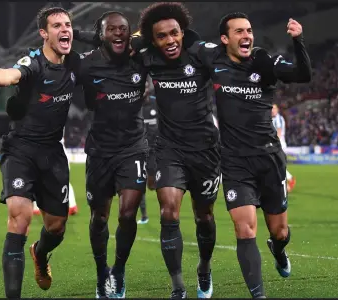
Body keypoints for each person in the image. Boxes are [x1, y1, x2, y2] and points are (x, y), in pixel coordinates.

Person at [0, 7, 81, 298]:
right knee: (19, 215)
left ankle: (40, 254)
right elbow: (10, 74)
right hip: (21, 149)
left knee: (56, 227)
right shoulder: (34, 62)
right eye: (56, 25)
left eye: (67, 24)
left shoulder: (76, 63)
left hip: (52, 153)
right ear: (44, 33)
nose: (64, 30)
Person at [209, 12, 311, 298]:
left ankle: (278, 251)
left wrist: (298, 40)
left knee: (279, 231)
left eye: (249, 30)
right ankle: (259, 295)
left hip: (269, 159)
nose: (247, 36)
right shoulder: (213, 62)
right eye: (239, 31)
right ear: (224, 39)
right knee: (245, 229)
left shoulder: (265, 61)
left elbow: (303, 75)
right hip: (234, 162)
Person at [136, 3, 223, 298]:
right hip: (169, 149)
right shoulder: (148, 58)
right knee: (168, 212)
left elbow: (233, 62)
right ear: (153, 39)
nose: (170, 40)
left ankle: (204, 267)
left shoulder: (201, 54)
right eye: (162, 36)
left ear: (182, 32)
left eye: (175, 33)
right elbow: (113, 44)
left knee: (204, 216)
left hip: (206, 150)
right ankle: (177, 287)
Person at [77, 11, 149, 298]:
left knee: (128, 213)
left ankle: (118, 270)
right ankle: (100, 273)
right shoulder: (87, 64)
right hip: (100, 150)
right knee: (99, 218)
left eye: (123, 29)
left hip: (133, 146)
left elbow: (168, 32)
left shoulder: (139, 59)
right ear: (101, 35)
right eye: (111, 30)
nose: (118, 34)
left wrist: (137, 40)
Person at [33, 134, 78, 216]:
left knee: (38, 178)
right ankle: (72, 206)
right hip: (59, 151)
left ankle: (37, 207)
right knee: (63, 180)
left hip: (45, 151)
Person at [138, 77, 158, 225]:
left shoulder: (156, 102)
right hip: (138, 150)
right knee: (138, 184)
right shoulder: (133, 103)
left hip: (155, 150)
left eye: (145, 85)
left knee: (152, 185)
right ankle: (144, 216)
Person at [272, 104, 296, 192]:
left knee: (275, 165)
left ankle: (288, 180)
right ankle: (288, 180)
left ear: (277, 110)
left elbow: (279, 132)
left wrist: (275, 144)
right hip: (276, 144)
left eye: (274, 108)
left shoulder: (278, 118)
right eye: (271, 108)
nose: (272, 110)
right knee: (276, 165)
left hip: (279, 144)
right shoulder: (273, 119)